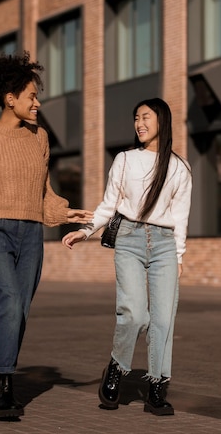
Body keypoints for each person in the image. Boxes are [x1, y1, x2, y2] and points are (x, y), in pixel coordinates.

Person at [0, 51, 93, 420]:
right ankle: (4, 386)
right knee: (7, 302)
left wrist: (63, 211)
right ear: (11, 99)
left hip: (32, 235)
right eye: (32, 96)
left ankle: (5, 370)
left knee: (19, 310)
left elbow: (42, 190)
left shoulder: (39, 139)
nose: (37, 103)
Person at [62, 97, 192, 416]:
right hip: (130, 239)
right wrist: (86, 229)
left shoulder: (179, 167)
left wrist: (178, 256)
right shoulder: (124, 159)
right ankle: (117, 368)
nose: (139, 123)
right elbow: (109, 204)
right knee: (133, 313)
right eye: (136, 118)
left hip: (163, 243)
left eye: (145, 117)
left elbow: (181, 217)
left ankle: (157, 388)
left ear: (162, 120)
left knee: (163, 320)